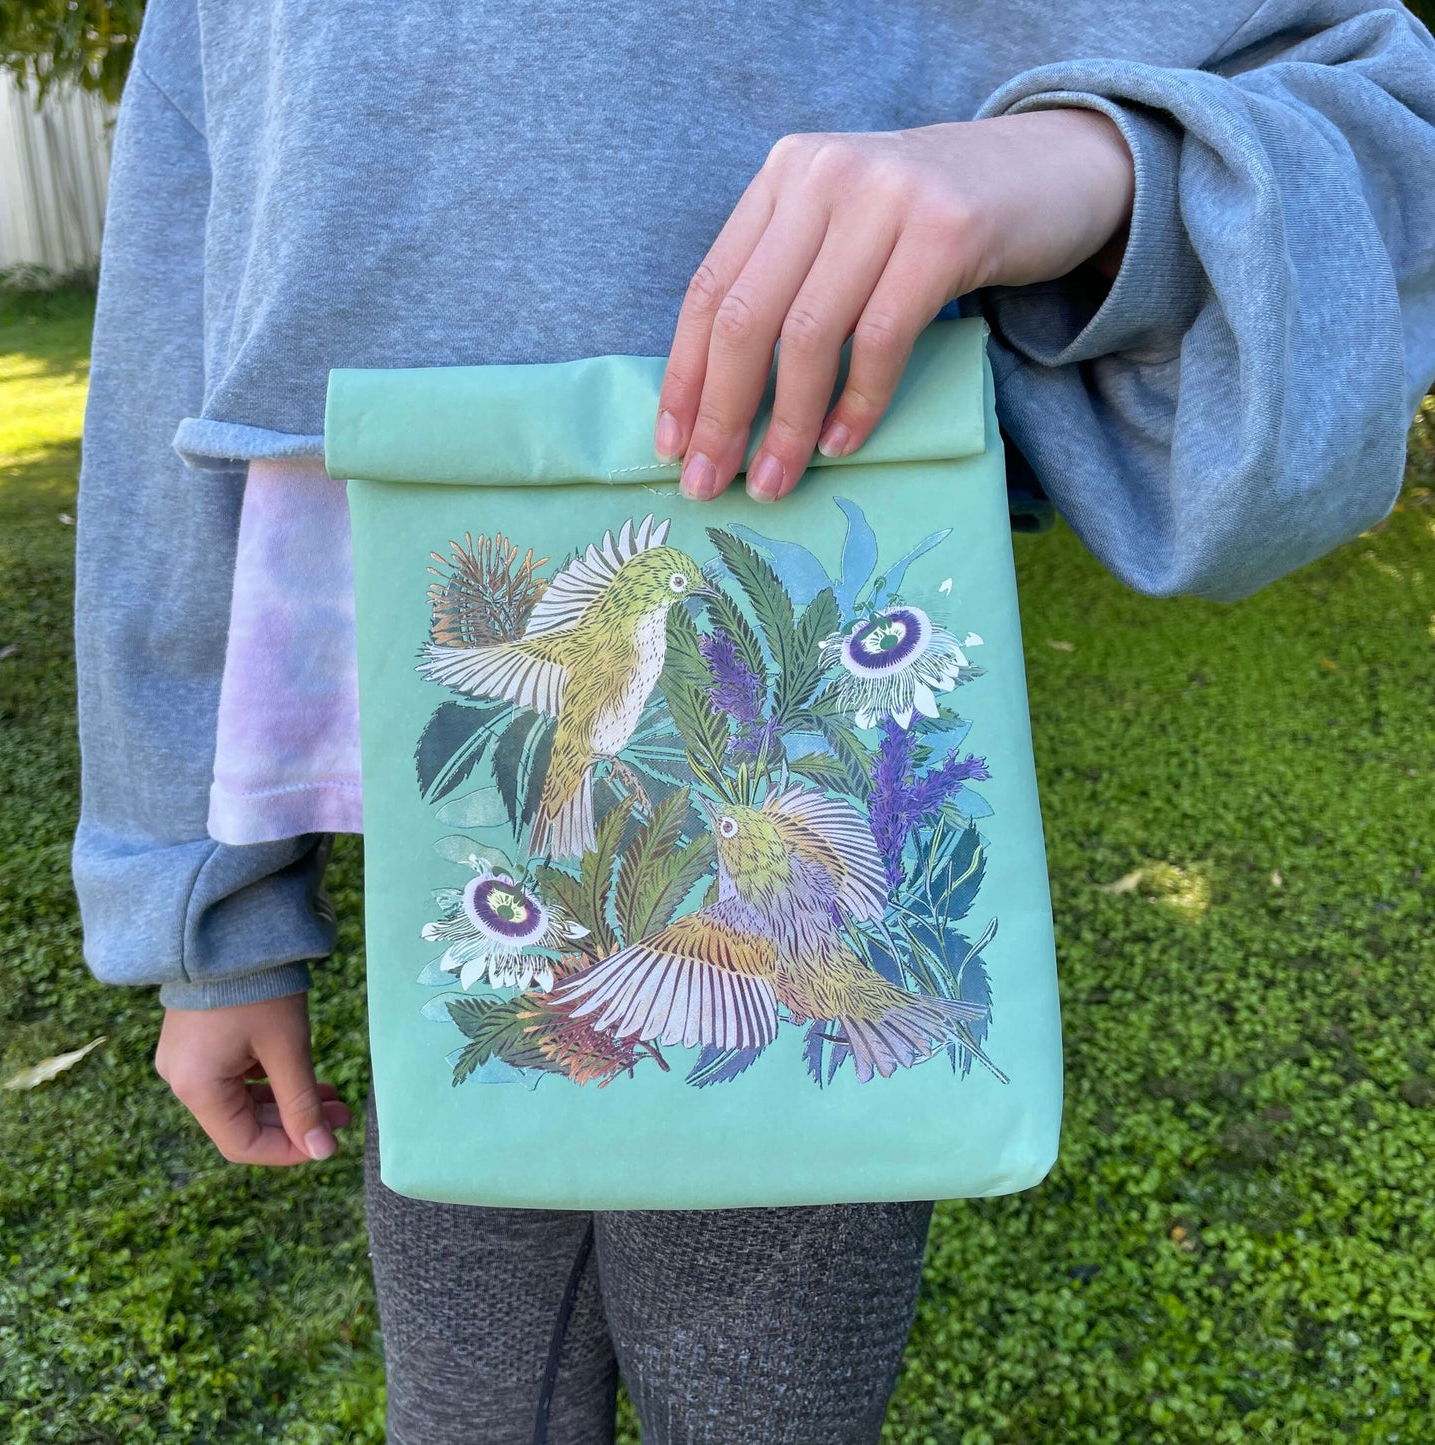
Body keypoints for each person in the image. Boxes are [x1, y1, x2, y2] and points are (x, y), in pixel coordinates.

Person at [74, 2, 1435, 1441]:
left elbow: (1380, 120)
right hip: (462, 845)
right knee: (468, 1400)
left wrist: (1083, 168)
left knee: (760, 1403)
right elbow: (174, 329)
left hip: (780, 742)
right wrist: (196, 908)